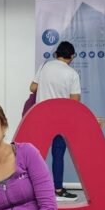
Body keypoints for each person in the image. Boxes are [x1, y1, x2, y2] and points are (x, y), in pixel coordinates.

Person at [28, 40, 81, 200]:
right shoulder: (72, 73)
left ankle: (31, 189)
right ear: (71, 56)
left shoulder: (45, 66)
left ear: (56, 54)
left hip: (40, 115)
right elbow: (74, 102)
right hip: (60, 119)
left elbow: (32, 88)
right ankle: (58, 190)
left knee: (35, 154)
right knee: (58, 154)